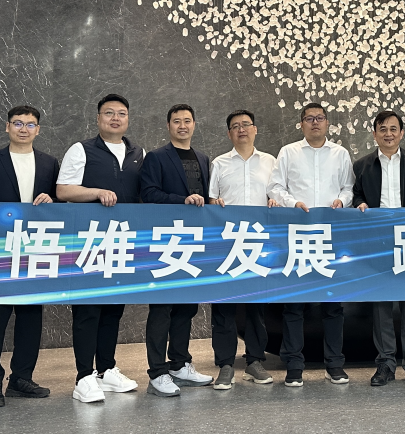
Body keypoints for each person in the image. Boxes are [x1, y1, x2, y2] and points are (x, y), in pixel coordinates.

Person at [0, 105, 59, 408]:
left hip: (35, 249)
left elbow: (60, 203)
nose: (24, 129)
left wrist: (52, 199)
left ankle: (21, 378)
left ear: (38, 130)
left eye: (30, 124)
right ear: (7, 126)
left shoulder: (49, 163)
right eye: (18, 123)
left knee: (31, 318)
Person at [56, 94, 144, 403]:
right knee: (88, 310)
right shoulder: (81, 150)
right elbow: (63, 190)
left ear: (128, 119)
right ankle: (84, 376)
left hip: (123, 241)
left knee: (113, 309)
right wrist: (95, 192)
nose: (115, 118)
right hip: (89, 242)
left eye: (121, 113)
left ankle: (106, 370)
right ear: (98, 119)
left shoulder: (138, 153)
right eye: (109, 113)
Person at [267, 102, 354, 388]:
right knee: (294, 305)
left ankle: (334, 364)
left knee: (333, 305)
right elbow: (275, 187)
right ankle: (294, 365)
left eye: (319, 118)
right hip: (297, 236)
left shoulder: (340, 154)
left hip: (330, 236)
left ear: (327, 122)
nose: (315, 122)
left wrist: (342, 200)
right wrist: (292, 203)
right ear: (301, 124)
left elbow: (348, 187)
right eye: (309, 118)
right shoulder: (288, 152)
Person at [139, 104, 215, 396]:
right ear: (168, 126)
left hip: (194, 241)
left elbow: (205, 197)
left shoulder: (203, 158)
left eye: (187, 120)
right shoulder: (157, 157)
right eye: (176, 121)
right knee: (162, 307)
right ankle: (157, 372)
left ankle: (179, 364)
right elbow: (148, 193)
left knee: (187, 306)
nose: (182, 125)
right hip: (166, 241)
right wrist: (181, 200)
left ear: (194, 124)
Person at [352, 111, 405, 387]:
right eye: (382, 129)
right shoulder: (362, 165)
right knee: (382, 304)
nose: (388, 134)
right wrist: (359, 204)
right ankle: (385, 363)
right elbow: (356, 195)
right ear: (374, 134)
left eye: (393, 129)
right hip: (378, 241)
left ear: (402, 133)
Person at [207, 110, 279, 389]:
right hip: (228, 242)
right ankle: (225, 364)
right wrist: (214, 203)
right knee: (223, 305)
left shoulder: (271, 162)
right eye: (235, 126)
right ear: (229, 133)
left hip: (260, 241)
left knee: (256, 306)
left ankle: (254, 361)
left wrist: (274, 201)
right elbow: (211, 199)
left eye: (246, 124)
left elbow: (278, 193)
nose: (241, 129)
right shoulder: (219, 163)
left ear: (255, 129)